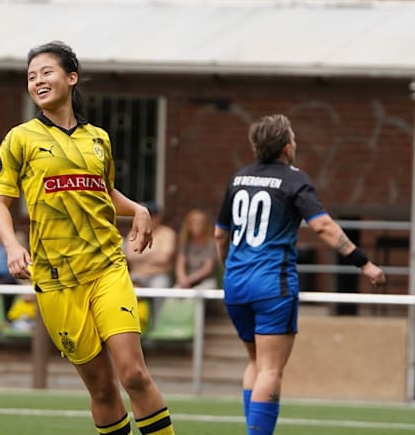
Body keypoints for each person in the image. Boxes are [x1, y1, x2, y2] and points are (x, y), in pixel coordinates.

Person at [0, 41, 175, 435]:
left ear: (71, 78)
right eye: (31, 76)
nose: (37, 80)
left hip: (107, 267)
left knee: (134, 374)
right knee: (104, 390)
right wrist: (11, 245)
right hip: (56, 280)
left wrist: (138, 208)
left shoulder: (100, 139)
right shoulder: (19, 139)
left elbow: (104, 192)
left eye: (46, 72)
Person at [214, 113, 385, 435]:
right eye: (293, 138)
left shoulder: (238, 179)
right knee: (270, 369)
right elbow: (322, 225)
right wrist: (364, 262)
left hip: (236, 283)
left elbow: (220, 234)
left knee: (254, 362)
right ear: (286, 147)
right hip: (272, 285)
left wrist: (230, 269)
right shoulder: (294, 180)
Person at [124, 202, 176, 327]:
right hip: (136, 275)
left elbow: (165, 257)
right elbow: (129, 255)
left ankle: (159, 327)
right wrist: (154, 252)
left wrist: (141, 253)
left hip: (158, 275)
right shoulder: (134, 232)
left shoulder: (167, 233)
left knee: (160, 291)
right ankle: (131, 328)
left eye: (153, 215)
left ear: (159, 217)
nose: (151, 218)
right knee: (124, 294)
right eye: (149, 215)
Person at [174, 208, 218, 289]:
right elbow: (180, 265)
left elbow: (207, 268)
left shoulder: (211, 244)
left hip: (205, 281)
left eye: (199, 223)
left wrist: (189, 280)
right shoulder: (185, 243)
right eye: (193, 223)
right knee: (173, 294)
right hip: (186, 280)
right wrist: (182, 278)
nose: (196, 225)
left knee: (195, 297)